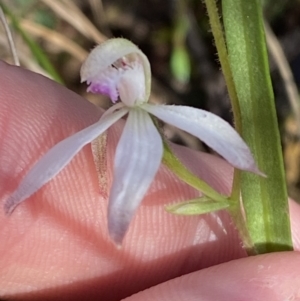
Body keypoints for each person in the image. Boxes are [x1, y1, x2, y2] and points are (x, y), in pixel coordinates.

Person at [0, 61, 299, 301]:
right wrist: (15, 199)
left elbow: (224, 139)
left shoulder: (163, 116)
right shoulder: (110, 121)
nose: (121, 68)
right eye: (114, 65)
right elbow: (53, 162)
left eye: (127, 65)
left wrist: (247, 165)